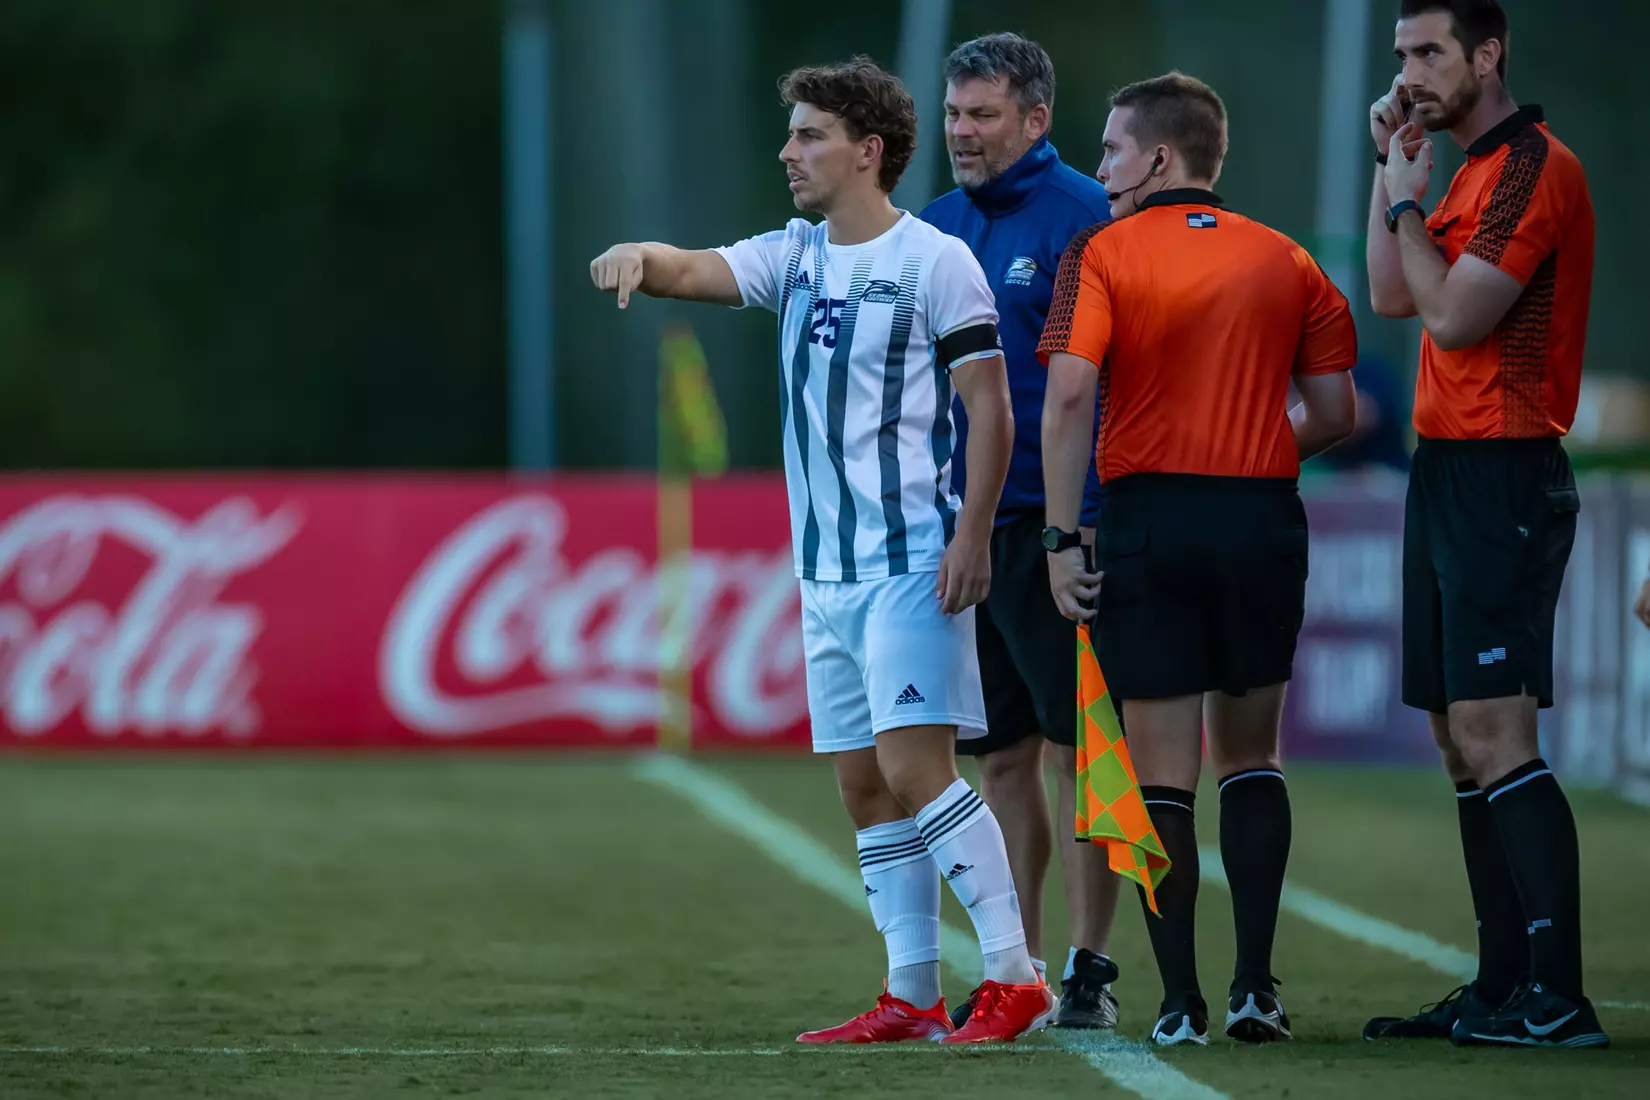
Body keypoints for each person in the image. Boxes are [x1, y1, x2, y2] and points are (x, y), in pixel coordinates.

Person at [590, 56, 1055, 1045]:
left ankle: (1014, 973)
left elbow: (991, 408)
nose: (787, 150)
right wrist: (639, 252)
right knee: (861, 782)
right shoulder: (796, 254)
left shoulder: (936, 261)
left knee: (914, 762)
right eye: (791, 132)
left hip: (908, 560)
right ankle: (913, 992)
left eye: (808, 135)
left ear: (868, 151)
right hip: (825, 572)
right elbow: (696, 268)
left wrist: (973, 533)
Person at [1039, 71, 1359, 1046]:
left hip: (1147, 521)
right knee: (1253, 756)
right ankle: (1257, 987)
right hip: (1262, 516)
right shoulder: (1288, 257)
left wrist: (1060, 536)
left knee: (1163, 773)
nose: (1100, 171)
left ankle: (1178, 1003)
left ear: (1160, 159)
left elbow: (1065, 399)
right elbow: (1341, 412)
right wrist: (1256, 454)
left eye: (1110, 152)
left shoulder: (1101, 250)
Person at [1362, 0, 1606, 1049]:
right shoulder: (1457, 174)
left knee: (1497, 729)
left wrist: (1411, 210)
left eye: (1430, 53)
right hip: (1447, 469)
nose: (1410, 71)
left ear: (1488, 54)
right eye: (1401, 55)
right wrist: (1392, 171)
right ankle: (1504, 983)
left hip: (1506, 471)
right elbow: (1389, 297)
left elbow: (1456, 315)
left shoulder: (1536, 167)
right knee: (1458, 737)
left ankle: (1559, 994)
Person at [917, 32, 1122, 1031]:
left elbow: (1113, 380)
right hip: (971, 526)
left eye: (981, 113)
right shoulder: (937, 225)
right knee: (1000, 758)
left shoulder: (1091, 216)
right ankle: (1021, 967)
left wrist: (1083, 525)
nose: (961, 130)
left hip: (1059, 524)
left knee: (1084, 749)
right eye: (954, 113)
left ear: (1035, 119)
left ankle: (1094, 965)